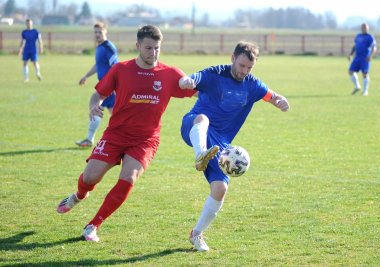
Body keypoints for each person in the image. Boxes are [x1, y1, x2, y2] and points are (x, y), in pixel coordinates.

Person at [56, 25, 196, 242]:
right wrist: (94, 106)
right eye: (149, 48)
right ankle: (79, 196)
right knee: (91, 177)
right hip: (116, 134)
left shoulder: (170, 74)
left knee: (128, 178)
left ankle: (93, 225)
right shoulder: (121, 69)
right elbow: (98, 94)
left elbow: (198, 92)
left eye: (157, 48)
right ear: (138, 46)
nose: (153, 53)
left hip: (145, 140)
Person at [179, 41, 290, 252]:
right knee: (203, 118)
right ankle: (199, 155)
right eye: (241, 66)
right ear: (233, 58)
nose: (244, 71)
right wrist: (187, 80)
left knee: (220, 189)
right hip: (193, 126)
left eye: (249, 68)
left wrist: (280, 100)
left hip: (219, 144)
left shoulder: (252, 84)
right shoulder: (216, 73)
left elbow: (270, 96)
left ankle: (196, 234)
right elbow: (195, 78)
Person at [76, 22, 118, 148]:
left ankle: (89, 139)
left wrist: (114, 85)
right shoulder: (99, 47)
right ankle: (129, 137)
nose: (97, 34)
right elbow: (97, 65)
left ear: (106, 32)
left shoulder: (109, 47)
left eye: (100, 32)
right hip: (104, 85)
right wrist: (86, 76)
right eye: (95, 32)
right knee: (116, 115)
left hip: (108, 86)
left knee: (95, 106)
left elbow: (116, 66)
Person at [348, 23, 377, 96]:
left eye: (366, 27)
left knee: (365, 74)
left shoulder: (370, 37)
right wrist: (351, 54)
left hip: (365, 58)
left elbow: (374, 47)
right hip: (357, 57)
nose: (364, 28)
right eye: (363, 27)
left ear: (368, 28)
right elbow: (355, 46)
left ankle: (365, 91)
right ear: (361, 28)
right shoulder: (358, 36)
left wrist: (371, 56)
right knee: (351, 71)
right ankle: (357, 86)